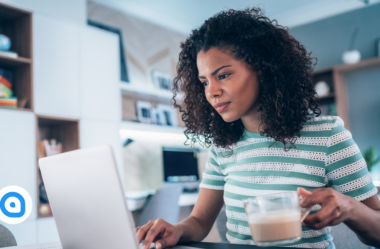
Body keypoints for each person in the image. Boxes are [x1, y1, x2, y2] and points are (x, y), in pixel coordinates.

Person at [136, 7, 380, 249]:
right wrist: (176, 230)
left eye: (223, 75)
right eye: (204, 82)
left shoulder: (328, 135)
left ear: (264, 69)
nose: (211, 92)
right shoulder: (224, 147)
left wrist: (351, 208)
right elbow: (199, 222)